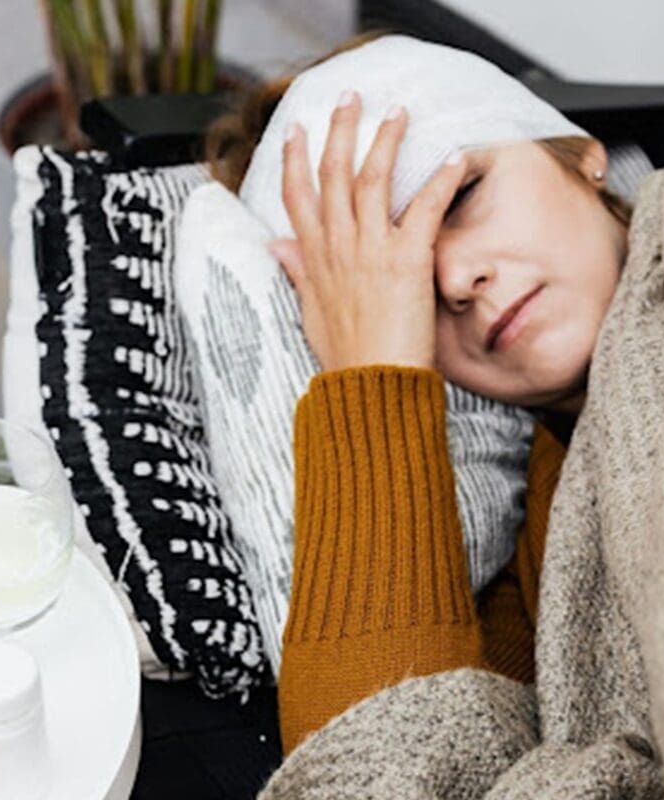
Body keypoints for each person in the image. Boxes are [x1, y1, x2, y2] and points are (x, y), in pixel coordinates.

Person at [206, 32, 634, 757]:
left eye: (462, 193)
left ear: (579, 152)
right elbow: (375, 772)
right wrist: (370, 379)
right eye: (392, 283)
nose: (454, 278)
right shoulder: (528, 570)